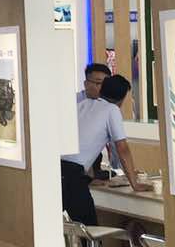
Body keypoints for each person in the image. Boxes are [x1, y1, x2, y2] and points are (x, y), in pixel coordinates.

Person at [59, 75, 152, 226]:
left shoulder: (82, 105)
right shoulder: (112, 110)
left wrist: (89, 178)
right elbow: (123, 149)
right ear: (122, 99)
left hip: (57, 170)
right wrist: (134, 183)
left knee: (65, 226)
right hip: (72, 176)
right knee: (89, 229)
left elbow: (82, 143)